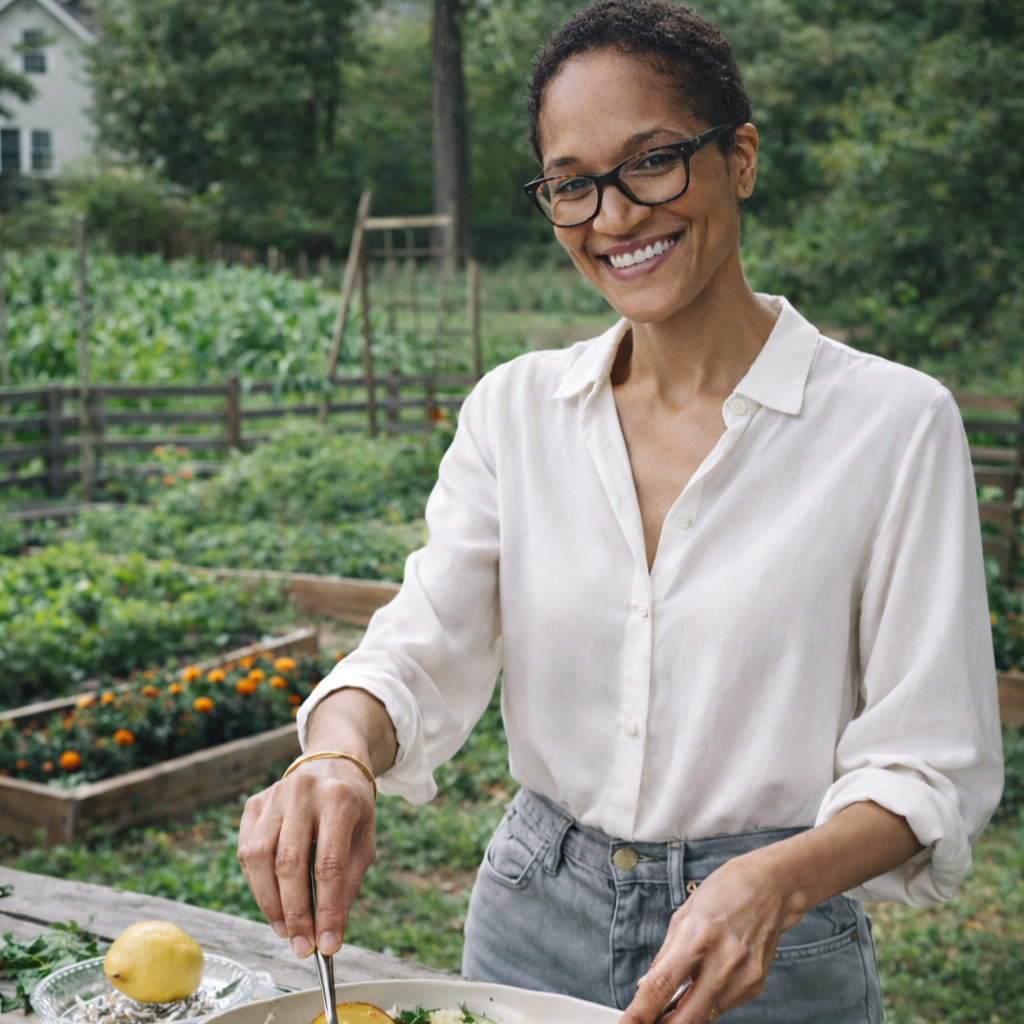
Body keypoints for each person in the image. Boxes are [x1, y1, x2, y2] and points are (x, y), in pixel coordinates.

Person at [237, 2, 1004, 1022]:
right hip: (528, 916)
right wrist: (332, 753)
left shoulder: (893, 425)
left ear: (738, 157)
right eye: (572, 183)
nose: (612, 215)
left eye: (651, 162)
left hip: (773, 939)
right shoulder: (514, 410)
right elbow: (418, 649)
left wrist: (773, 879)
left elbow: (930, 763)